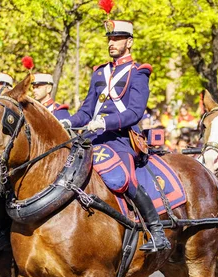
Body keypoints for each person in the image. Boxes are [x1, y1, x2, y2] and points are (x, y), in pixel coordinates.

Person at [60, 15, 169, 252]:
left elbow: (134, 113)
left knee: (122, 179)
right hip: (92, 139)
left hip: (120, 139)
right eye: (109, 38)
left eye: (117, 38)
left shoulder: (138, 73)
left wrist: (105, 123)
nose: (111, 43)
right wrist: (68, 121)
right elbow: (86, 112)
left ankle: (157, 232)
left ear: (129, 42)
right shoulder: (99, 73)